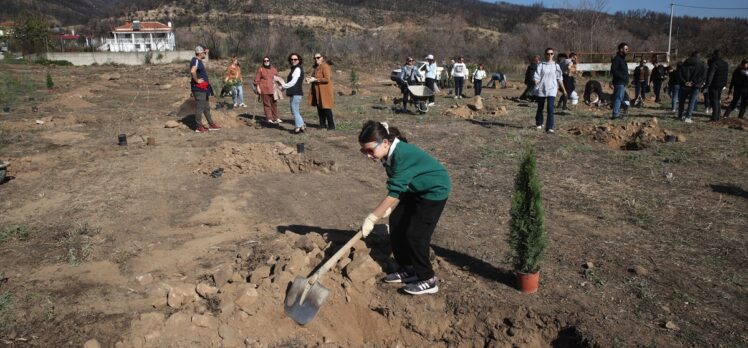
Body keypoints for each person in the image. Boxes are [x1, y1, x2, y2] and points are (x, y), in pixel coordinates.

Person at [358, 120, 450, 295]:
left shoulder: (402, 155)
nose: (368, 155)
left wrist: (372, 217)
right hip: (414, 188)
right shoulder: (387, 154)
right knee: (396, 222)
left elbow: (394, 191)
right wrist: (388, 208)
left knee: (416, 235)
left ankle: (427, 278)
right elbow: (398, 184)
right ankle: (408, 268)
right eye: (364, 151)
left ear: (385, 143)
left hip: (433, 191)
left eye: (370, 150)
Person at [533, 47, 566, 134]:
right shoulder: (541, 65)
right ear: (545, 55)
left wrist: (564, 90)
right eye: (548, 53)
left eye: (551, 53)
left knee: (550, 108)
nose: (550, 55)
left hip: (552, 89)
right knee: (540, 107)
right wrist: (536, 82)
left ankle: (550, 127)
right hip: (542, 89)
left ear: (553, 55)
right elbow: (536, 76)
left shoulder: (556, 66)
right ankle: (539, 123)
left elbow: (559, 78)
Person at [189, 45, 220, 133]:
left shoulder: (198, 60)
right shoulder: (196, 61)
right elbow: (192, 71)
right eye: (203, 53)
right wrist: (197, 80)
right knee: (200, 107)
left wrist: (206, 52)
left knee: (206, 107)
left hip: (203, 88)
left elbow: (202, 58)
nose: (204, 54)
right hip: (199, 88)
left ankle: (211, 124)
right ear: (199, 53)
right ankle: (198, 126)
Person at [677, 51, 708, 123]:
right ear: (699, 56)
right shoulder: (702, 65)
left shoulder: (684, 64)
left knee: (682, 101)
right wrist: (694, 83)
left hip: (684, 85)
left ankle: (680, 115)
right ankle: (688, 117)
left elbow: (679, 74)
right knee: (692, 101)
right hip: (695, 86)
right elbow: (703, 77)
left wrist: (685, 82)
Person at [309, 53, 335, 130]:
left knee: (326, 108)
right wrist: (310, 79)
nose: (316, 59)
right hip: (317, 91)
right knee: (319, 108)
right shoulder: (316, 67)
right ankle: (322, 124)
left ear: (322, 58)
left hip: (325, 91)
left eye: (318, 57)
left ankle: (331, 126)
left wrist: (316, 80)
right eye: (315, 58)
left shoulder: (325, 66)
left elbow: (327, 79)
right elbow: (314, 77)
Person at [282, 52, 305, 134]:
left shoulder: (297, 69)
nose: (293, 61)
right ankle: (302, 126)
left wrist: (283, 86)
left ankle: (297, 127)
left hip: (296, 93)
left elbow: (293, 82)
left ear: (299, 60)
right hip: (295, 93)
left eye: (295, 59)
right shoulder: (294, 68)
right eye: (291, 59)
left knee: (294, 110)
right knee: (295, 110)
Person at [704, 50, 729, 121]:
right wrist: (725, 84)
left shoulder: (714, 64)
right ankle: (717, 116)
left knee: (714, 100)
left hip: (714, 84)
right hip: (721, 84)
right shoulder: (725, 63)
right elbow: (726, 75)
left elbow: (710, 76)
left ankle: (714, 117)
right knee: (718, 100)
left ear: (715, 55)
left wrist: (707, 85)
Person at [254, 56, 281, 124]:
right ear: (263, 62)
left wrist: (280, 85)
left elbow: (278, 78)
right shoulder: (260, 69)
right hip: (264, 89)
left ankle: (276, 117)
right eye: (265, 61)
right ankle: (269, 118)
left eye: (267, 60)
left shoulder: (274, 69)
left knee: (274, 104)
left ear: (269, 61)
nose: (266, 62)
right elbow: (257, 79)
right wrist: (258, 88)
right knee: (267, 104)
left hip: (273, 89)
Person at [611, 43, 630, 119]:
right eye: (626, 49)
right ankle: (615, 114)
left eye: (627, 49)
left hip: (622, 83)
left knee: (620, 98)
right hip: (619, 82)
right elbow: (613, 70)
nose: (627, 51)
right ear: (621, 49)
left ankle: (617, 112)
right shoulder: (617, 59)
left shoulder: (622, 59)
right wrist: (622, 77)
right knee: (618, 98)